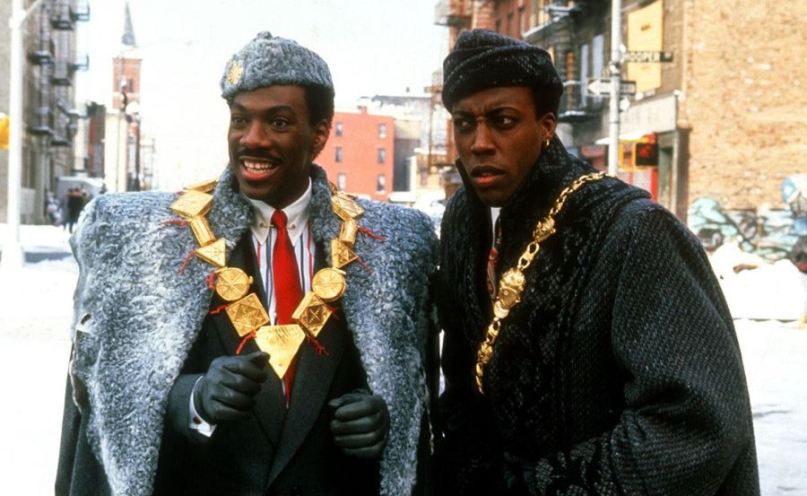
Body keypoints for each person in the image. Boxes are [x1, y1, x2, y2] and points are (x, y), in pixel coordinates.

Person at [57, 32, 437, 496]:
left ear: (319, 133)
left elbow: (411, 396)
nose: (252, 139)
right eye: (240, 119)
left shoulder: (388, 246)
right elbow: (111, 390)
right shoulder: (152, 240)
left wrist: (383, 417)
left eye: (278, 122)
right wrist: (193, 398)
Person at [434, 29, 759, 495]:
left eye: (503, 121)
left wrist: (536, 486)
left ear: (546, 126)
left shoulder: (633, 231)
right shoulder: (464, 220)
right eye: (464, 124)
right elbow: (463, 382)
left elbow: (693, 424)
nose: (479, 142)